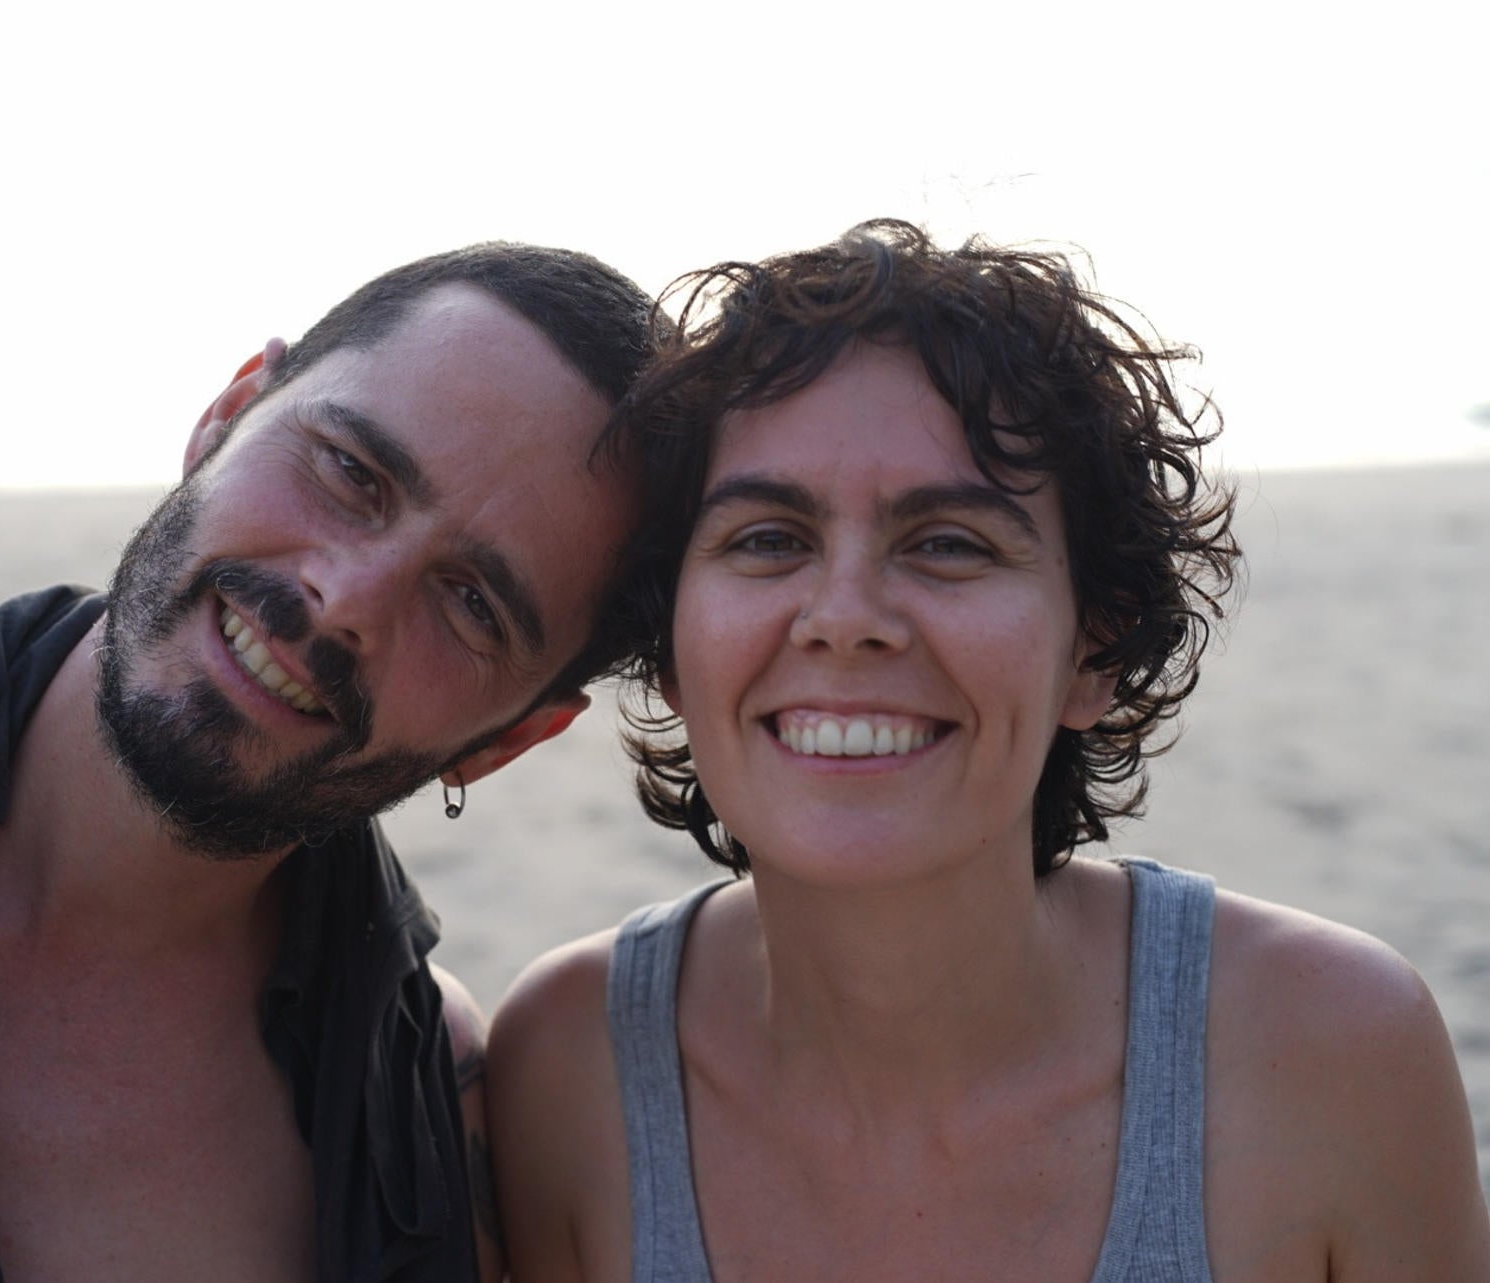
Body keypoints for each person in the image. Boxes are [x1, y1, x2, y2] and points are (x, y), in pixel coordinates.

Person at [0, 242, 659, 1283]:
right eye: (349, 470)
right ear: (228, 412)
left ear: (510, 738)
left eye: (471, 603)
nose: (346, 595)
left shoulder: (426, 1099)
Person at [488, 221, 1490, 1281]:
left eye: (949, 543)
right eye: (768, 538)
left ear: (1093, 649)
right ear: (675, 648)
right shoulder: (569, 1066)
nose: (844, 616)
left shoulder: (1330, 1052)